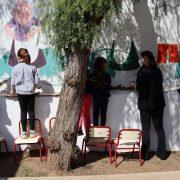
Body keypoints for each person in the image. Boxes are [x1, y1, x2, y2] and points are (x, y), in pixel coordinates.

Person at [133, 50, 167, 160]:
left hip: (145, 105)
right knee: (159, 128)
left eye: (141, 58)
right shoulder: (157, 71)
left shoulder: (141, 71)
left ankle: (145, 155)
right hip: (158, 104)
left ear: (145, 59)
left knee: (146, 129)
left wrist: (135, 86)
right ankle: (162, 154)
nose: (140, 60)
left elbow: (139, 87)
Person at [10, 48, 39, 139]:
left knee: (23, 111)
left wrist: (12, 90)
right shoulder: (32, 67)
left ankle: (23, 133)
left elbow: (12, 82)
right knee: (31, 111)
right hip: (30, 92)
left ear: (18, 57)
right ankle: (33, 132)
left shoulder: (15, 68)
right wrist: (35, 86)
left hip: (20, 93)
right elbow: (37, 83)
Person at [78, 69, 93, 135]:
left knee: (80, 114)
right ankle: (88, 132)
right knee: (86, 115)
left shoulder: (79, 78)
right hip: (88, 96)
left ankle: (79, 128)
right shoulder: (90, 78)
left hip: (80, 96)